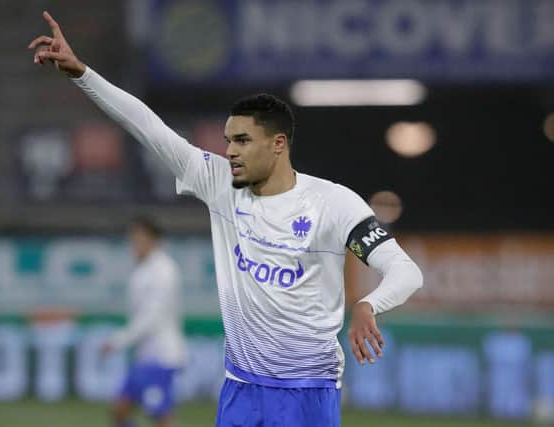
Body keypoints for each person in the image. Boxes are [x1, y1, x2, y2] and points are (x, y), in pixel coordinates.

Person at [29, 11, 423, 426]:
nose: (230, 151)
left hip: (308, 391)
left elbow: (404, 270)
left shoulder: (334, 204)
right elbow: (148, 126)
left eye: (242, 141)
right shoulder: (219, 184)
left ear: (278, 144)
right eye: (228, 141)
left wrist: (368, 305)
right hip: (240, 389)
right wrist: (82, 74)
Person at [101, 216, 186, 427]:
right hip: (145, 356)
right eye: (133, 239)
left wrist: (118, 340)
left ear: (154, 240)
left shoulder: (164, 270)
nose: (134, 245)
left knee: (161, 415)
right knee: (119, 410)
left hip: (161, 355)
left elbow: (152, 318)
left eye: (139, 239)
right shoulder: (142, 269)